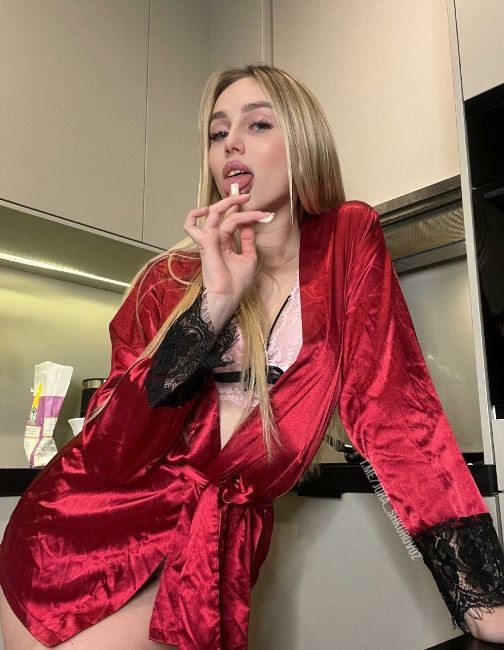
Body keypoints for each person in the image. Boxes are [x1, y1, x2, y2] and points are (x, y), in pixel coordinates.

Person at [1, 63, 504, 650]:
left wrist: (478, 596)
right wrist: (213, 306)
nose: (231, 144)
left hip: (213, 547)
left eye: (258, 124)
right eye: (218, 133)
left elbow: (395, 413)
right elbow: (112, 451)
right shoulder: (167, 281)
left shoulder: (346, 240)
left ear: (303, 142)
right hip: (73, 541)